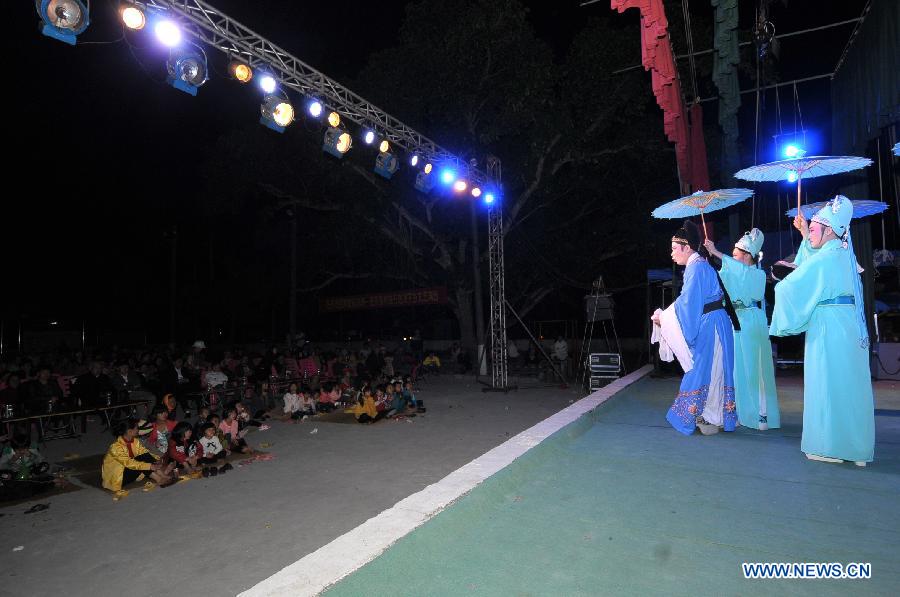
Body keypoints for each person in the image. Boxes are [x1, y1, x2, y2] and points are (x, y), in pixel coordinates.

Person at [769, 196, 874, 466]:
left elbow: (795, 283)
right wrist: (806, 232)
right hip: (848, 327)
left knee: (827, 384)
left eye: (816, 229)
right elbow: (812, 261)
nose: (811, 233)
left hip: (829, 327)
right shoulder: (842, 254)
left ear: (830, 230)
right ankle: (856, 449)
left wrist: (779, 282)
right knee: (849, 385)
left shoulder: (827, 258)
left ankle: (828, 447)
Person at [653, 220, 738, 435]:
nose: (671, 254)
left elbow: (688, 304)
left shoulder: (697, 267)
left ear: (687, 247)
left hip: (712, 323)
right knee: (713, 368)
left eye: (674, 249)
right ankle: (715, 415)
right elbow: (687, 301)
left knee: (705, 367)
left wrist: (664, 317)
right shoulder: (698, 266)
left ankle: (710, 416)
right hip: (715, 321)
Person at [703, 229, 780, 431]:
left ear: (747, 256)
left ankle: (761, 414)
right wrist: (707, 260)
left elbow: (739, 271)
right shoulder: (737, 271)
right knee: (738, 367)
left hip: (752, 320)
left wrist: (717, 252)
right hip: (736, 319)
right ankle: (741, 411)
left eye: (736, 255)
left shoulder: (758, 274)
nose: (732, 260)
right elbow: (722, 278)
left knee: (755, 366)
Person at [102, 418, 175, 493]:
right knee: (139, 463)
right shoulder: (115, 447)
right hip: (118, 477)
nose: (138, 430)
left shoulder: (135, 441)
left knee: (143, 456)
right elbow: (129, 463)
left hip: (130, 470)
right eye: (136, 428)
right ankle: (158, 479)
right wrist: (150, 466)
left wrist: (156, 460)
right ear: (129, 431)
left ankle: (162, 475)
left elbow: (144, 452)